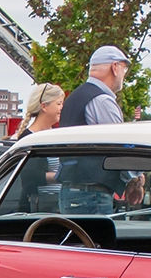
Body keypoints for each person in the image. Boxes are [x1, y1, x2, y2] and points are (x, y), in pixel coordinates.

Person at [57, 45, 144, 213]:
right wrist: (135, 179)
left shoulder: (74, 97)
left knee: (74, 239)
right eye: (124, 69)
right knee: (95, 240)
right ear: (115, 67)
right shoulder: (102, 101)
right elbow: (120, 147)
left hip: (70, 191)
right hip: (92, 194)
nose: (124, 76)